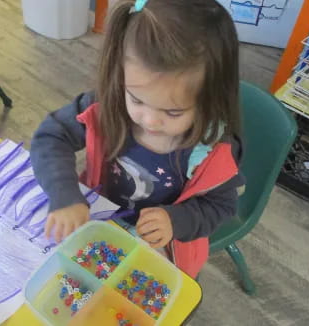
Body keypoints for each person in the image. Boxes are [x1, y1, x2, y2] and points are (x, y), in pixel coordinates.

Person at [30, 0, 244, 278]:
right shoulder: (105, 106)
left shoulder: (211, 149)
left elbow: (221, 206)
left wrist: (176, 220)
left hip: (164, 252)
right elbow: (51, 137)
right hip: (98, 226)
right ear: (120, 78)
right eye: (137, 99)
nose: (150, 121)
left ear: (210, 100)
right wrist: (65, 194)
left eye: (173, 111)